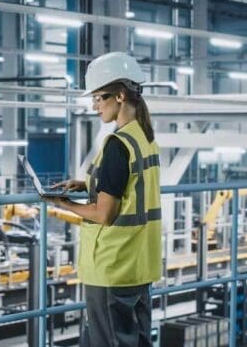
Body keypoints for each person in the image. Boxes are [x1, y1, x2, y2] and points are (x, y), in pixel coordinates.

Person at [49, 52, 162, 347]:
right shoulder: (144, 137)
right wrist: (88, 183)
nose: (94, 105)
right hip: (139, 262)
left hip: (113, 265)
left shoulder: (116, 144)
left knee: (108, 341)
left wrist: (64, 203)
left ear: (121, 95)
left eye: (100, 97)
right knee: (134, 340)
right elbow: (133, 185)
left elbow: (104, 214)